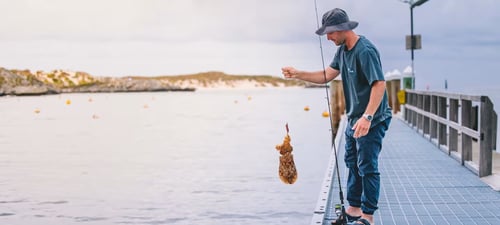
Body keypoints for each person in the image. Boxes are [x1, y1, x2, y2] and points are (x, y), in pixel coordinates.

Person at [282, 8, 392, 225]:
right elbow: (326, 75)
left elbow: (379, 84)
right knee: (352, 162)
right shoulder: (343, 51)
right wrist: (298, 73)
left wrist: (368, 118)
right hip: (353, 119)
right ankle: (353, 209)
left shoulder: (365, 51)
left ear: (341, 29)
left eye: (330, 33)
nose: (328, 38)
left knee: (367, 165)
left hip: (373, 119)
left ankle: (367, 217)